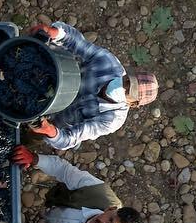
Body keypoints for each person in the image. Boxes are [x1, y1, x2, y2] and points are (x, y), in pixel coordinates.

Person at [23, 21, 158, 150]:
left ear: (133, 103)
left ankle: (27, 140)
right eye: (127, 81)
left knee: (32, 136)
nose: (122, 87)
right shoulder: (108, 63)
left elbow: (71, 137)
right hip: (45, 82)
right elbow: (76, 42)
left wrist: (50, 131)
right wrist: (54, 33)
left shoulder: (111, 120)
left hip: (51, 120)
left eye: (128, 91)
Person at [11, 144, 139, 223]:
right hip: (58, 202)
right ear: (110, 209)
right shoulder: (98, 190)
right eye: (110, 220)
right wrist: (33, 158)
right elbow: (63, 170)